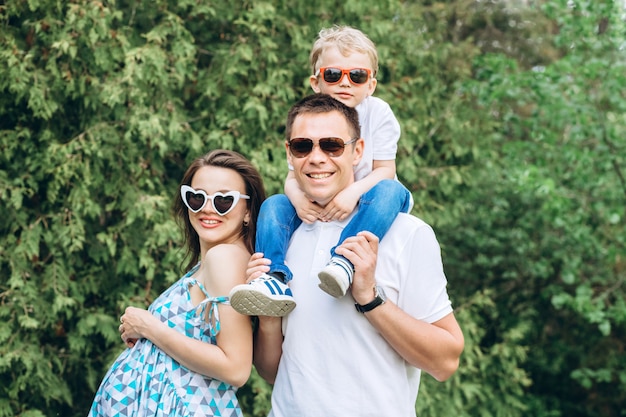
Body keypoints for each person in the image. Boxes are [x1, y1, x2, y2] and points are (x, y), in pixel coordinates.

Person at [250, 94, 464, 416]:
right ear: (289, 154)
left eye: (332, 145)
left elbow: (446, 361)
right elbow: (271, 373)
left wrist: (369, 298)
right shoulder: (280, 237)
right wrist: (268, 322)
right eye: (302, 146)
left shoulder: (407, 233)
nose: (317, 157)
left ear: (358, 151)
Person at [229, 25, 411, 316]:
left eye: (357, 75)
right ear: (316, 81)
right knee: (275, 203)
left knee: (391, 190)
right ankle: (273, 277)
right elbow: (292, 177)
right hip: (322, 197)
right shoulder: (308, 117)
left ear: (371, 85)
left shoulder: (378, 113)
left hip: (372, 199)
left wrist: (352, 194)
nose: (345, 83)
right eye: (333, 74)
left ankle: (343, 262)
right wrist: (298, 200)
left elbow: (385, 171)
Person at [88, 150, 266, 417]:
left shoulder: (224, 258)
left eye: (223, 200)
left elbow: (236, 368)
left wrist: (149, 327)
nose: (207, 208)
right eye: (196, 197)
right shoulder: (214, 260)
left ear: (248, 212)